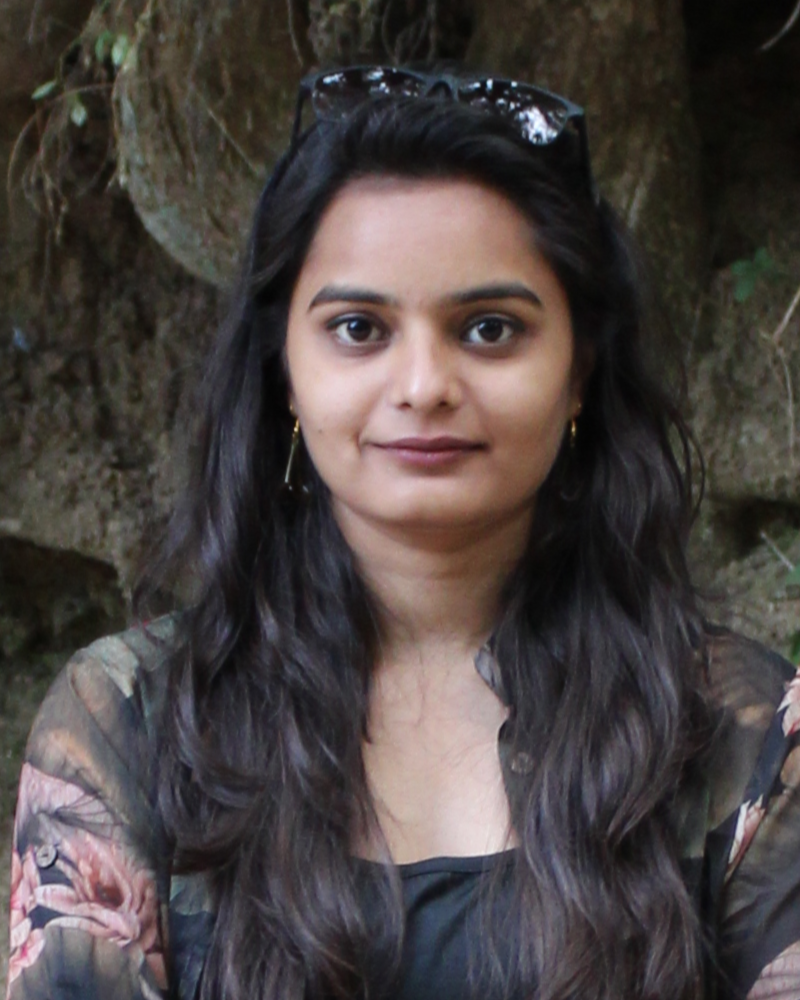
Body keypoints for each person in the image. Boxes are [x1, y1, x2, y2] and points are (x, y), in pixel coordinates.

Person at [6, 66, 800, 1000]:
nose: (423, 385)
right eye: (358, 327)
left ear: (579, 370)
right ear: (285, 369)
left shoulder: (742, 735)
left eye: (490, 329)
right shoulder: (131, 722)